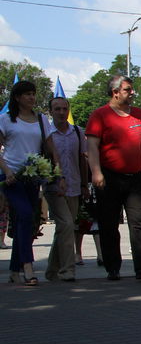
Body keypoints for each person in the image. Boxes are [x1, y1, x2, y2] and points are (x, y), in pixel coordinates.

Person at [86, 76, 141, 281]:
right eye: (128, 90)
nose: (132, 93)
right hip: (109, 178)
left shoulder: (139, 114)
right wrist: (96, 172)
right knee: (109, 224)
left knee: (139, 223)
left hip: (135, 178)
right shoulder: (100, 115)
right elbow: (92, 146)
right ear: (115, 93)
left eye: (131, 89)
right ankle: (113, 267)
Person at [0, 80, 64, 285]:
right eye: (27, 94)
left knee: (25, 221)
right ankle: (28, 267)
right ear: (17, 98)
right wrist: (7, 171)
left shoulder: (41, 119)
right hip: (11, 177)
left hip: (34, 175)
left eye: (33, 94)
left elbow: (51, 147)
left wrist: (57, 172)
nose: (31, 97)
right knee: (26, 216)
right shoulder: (5, 120)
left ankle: (13, 269)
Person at [43, 97, 88, 282]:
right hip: (54, 188)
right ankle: (67, 270)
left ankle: (51, 271)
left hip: (75, 186)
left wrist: (85, 184)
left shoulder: (77, 132)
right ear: (51, 112)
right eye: (57, 109)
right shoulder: (46, 134)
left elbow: (82, 159)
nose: (61, 112)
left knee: (64, 229)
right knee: (67, 225)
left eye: (64, 109)